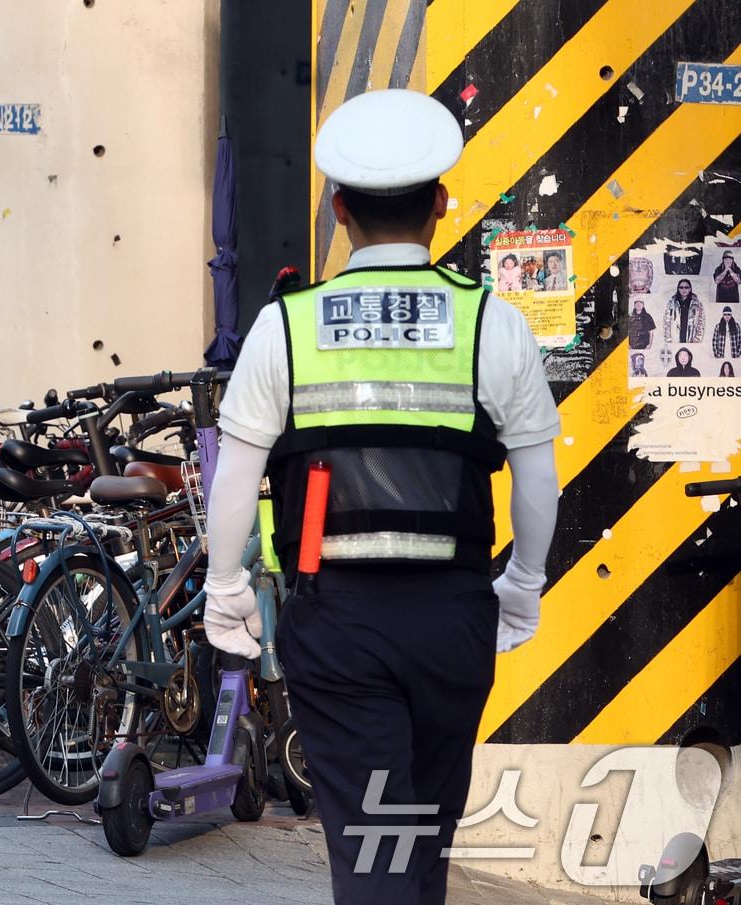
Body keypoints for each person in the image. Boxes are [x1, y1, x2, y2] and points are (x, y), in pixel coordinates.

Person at [203, 89, 560, 905]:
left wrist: (227, 590)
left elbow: (236, 472)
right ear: (441, 204)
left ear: (338, 208)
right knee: (418, 837)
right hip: (453, 617)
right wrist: (523, 587)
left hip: (341, 621)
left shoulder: (287, 326)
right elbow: (538, 475)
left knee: (379, 848)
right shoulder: (489, 323)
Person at [664, 279, 706, 344]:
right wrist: (669, 339)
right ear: (678, 289)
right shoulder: (671, 303)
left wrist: (697, 339)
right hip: (675, 340)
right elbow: (666, 322)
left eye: (686, 287)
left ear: (690, 289)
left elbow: (701, 323)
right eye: (681, 287)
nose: (684, 290)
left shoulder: (697, 304)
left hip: (691, 340)